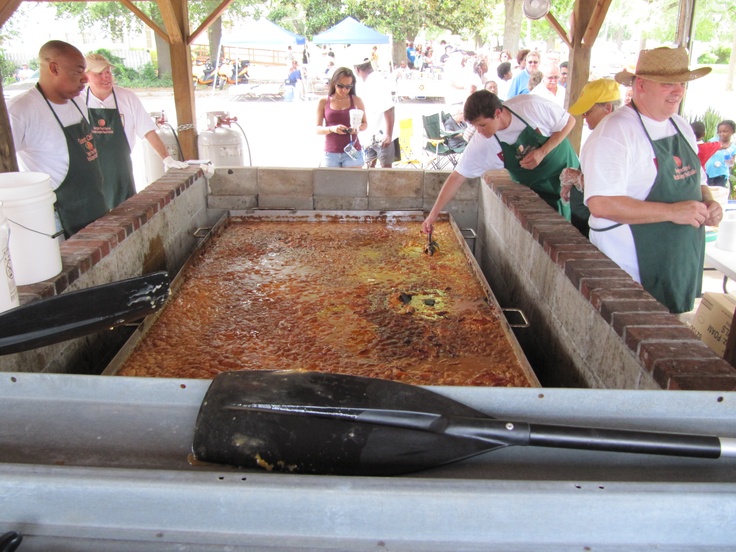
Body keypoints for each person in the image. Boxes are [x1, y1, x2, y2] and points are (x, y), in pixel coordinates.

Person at [581, 46, 720, 314]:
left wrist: (709, 202)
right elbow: (600, 204)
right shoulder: (615, 132)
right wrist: (672, 212)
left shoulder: (681, 126)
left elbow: (698, 181)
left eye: (681, 83)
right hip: (631, 272)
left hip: (677, 263)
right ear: (641, 85)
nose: (678, 91)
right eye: (668, 84)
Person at [422, 90, 582, 235]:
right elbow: (457, 176)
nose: (479, 131)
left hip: (568, 170)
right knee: (565, 233)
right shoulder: (482, 143)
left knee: (584, 218)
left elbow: (569, 121)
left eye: (482, 125)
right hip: (541, 190)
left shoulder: (529, 106)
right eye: (475, 126)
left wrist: (542, 151)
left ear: (497, 112)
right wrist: (432, 215)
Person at [8, 40, 107, 238]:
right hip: (58, 219)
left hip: (94, 206)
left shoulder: (78, 102)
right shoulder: (21, 110)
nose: (85, 79)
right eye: (79, 71)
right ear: (54, 68)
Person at [84, 53, 188, 210]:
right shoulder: (78, 101)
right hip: (90, 171)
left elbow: (148, 130)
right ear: (86, 76)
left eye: (108, 73)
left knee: (124, 213)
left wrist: (167, 159)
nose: (106, 78)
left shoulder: (127, 97)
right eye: (99, 74)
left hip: (121, 170)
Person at [559, 78, 622, 237]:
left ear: (607, 108)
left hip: (597, 226)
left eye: (588, 111)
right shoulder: (602, 133)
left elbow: (611, 190)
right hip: (584, 219)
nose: (584, 117)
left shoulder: (616, 138)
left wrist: (577, 178)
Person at [315, 67, 367, 168]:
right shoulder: (323, 101)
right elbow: (317, 129)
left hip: (353, 151)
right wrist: (332, 129)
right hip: (330, 153)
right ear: (334, 83)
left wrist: (357, 128)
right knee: (330, 183)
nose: (344, 90)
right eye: (340, 86)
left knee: (354, 183)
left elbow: (365, 123)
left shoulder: (357, 100)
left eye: (348, 87)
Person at [354, 58, 399, 168]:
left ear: (357, 69)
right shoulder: (366, 82)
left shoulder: (376, 81)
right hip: (370, 135)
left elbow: (389, 108)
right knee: (370, 168)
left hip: (383, 135)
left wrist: (388, 135)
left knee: (385, 171)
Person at [704, 120, 736, 187]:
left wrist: (731, 162)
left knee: (719, 193)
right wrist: (720, 147)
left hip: (721, 174)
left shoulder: (733, 148)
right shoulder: (713, 141)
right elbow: (706, 151)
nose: (722, 134)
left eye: (725, 131)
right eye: (720, 132)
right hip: (708, 172)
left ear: (732, 132)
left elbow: (731, 164)